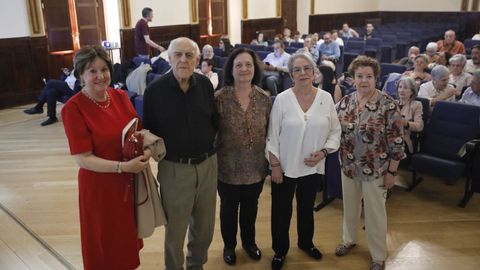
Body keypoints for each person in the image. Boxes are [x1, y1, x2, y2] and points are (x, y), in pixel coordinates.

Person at [61, 45, 150, 270]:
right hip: (99, 188)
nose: (100, 76)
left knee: (124, 240)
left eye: (104, 69)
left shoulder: (120, 96)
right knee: (103, 243)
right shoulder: (73, 109)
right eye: (92, 71)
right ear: (81, 75)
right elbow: (83, 159)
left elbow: (137, 132)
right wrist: (123, 167)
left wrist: (146, 151)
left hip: (126, 182)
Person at [143, 37, 218, 270]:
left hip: (207, 166)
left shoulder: (205, 85)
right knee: (175, 231)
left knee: (204, 228)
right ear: (169, 57)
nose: (183, 60)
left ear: (197, 59)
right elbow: (149, 129)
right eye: (178, 54)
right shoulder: (155, 90)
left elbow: (213, 121)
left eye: (189, 55)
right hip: (175, 170)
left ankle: (196, 266)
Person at [266, 52, 341, 270]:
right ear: (290, 75)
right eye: (297, 70)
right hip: (285, 167)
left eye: (307, 68)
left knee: (306, 209)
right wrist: (275, 166)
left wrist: (324, 153)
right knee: (281, 211)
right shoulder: (282, 99)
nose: (303, 73)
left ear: (314, 71)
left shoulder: (326, 98)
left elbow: (335, 132)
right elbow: (272, 136)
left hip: (312, 167)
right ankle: (280, 251)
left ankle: (306, 243)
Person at [335, 56, 405, 270]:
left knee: (375, 213)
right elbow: (334, 128)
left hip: (377, 169)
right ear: (353, 78)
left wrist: (392, 173)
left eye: (368, 76)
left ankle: (378, 255)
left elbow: (397, 142)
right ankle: (349, 239)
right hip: (348, 165)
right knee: (350, 207)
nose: (364, 80)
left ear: (376, 78)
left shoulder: (388, 104)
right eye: (359, 76)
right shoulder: (347, 101)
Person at [215, 47, 272, 266]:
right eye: (238, 65)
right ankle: (229, 245)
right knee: (228, 209)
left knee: (251, 207)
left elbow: (270, 133)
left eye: (248, 64)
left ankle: (249, 242)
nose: (244, 69)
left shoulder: (264, 99)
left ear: (255, 68)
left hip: (256, 166)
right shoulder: (219, 98)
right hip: (227, 166)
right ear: (231, 69)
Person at [396, 76, 424, 164]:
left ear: (412, 91)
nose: (401, 90)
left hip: (404, 139)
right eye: (400, 87)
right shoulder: (392, 103)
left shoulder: (416, 105)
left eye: (405, 88)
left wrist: (406, 123)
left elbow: (419, 126)